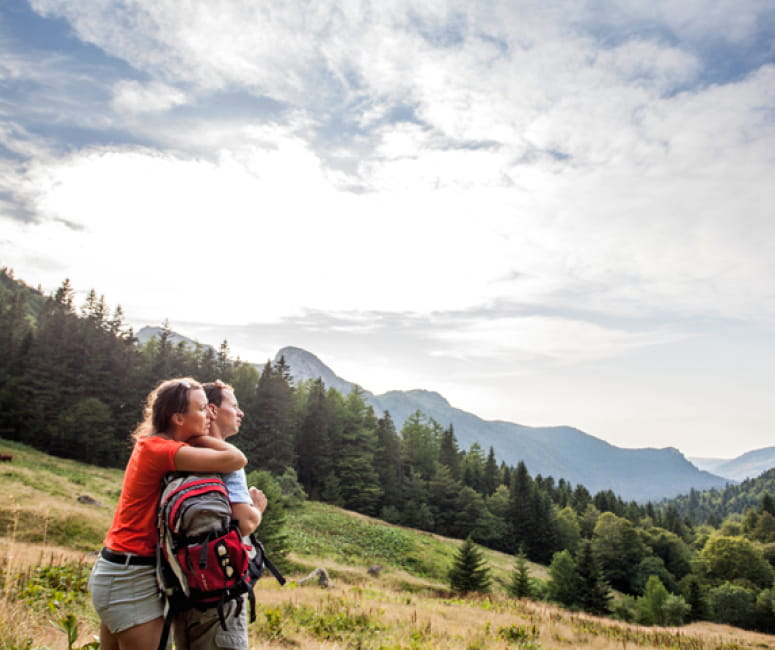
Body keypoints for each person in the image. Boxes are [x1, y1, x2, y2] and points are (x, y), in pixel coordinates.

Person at [88, 377, 247, 650]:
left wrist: (197, 424)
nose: (208, 415)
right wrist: (203, 436)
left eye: (211, 409)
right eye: (201, 409)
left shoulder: (154, 445)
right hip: (130, 578)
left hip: (119, 572)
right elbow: (236, 460)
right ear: (177, 418)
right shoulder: (163, 450)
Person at [173, 379, 267, 650]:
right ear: (212, 410)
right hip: (220, 590)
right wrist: (257, 510)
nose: (241, 413)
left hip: (186, 587)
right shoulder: (227, 458)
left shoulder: (184, 452)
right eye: (234, 406)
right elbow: (243, 522)